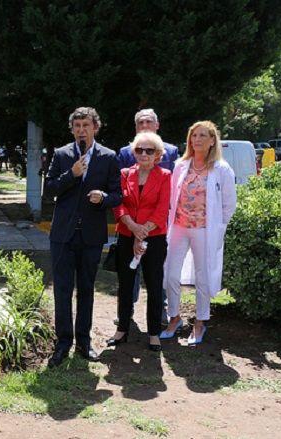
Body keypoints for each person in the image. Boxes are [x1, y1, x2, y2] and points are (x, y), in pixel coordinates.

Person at [45, 107, 122, 368]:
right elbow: (50, 189)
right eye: (77, 126)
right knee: (62, 290)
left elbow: (118, 195)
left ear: (95, 128)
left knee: (87, 290)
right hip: (63, 235)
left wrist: (104, 198)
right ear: (72, 130)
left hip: (91, 236)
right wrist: (72, 174)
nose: (81, 130)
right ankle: (63, 342)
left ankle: (84, 342)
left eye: (86, 126)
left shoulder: (108, 157)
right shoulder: (61, 154)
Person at [161, 121, 237, 345]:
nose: (197, 139)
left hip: (205, 230)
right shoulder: (180, 165)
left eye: (203, 135)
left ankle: (200, 322)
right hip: (179, 227)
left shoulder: (222, 169)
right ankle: (174, 318)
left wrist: (218, 227)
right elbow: (171, 197)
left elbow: (229, 205)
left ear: (213, 140)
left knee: (203, 277)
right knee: (170, 274)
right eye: (194, 135)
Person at [108, 132, 171, 352]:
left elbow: (162, 209)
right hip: (127, 235)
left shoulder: (165, 175)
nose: (144, 154)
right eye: (139, 150)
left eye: (149, 150)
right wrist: (134, 228)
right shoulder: (125, 174)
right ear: (134, 152)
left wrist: (142, 232)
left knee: (154, 284)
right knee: (125, 284)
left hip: (154, 237)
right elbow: (119, 204)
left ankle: (153, 333)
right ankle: (122, 329)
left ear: (158, 154)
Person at [116, 109, 179, 325]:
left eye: (149, 122)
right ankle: (126, 312)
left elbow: (166, 198)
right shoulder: (125, 154)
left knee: (155, 274)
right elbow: (119, 194)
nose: (144, 125)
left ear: (157, 125)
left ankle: (158, 313)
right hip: (129, 226)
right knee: (128, 273)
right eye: (140, 122)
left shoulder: (171, 152)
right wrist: (133, 227)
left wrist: (144, 230)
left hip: (155, 228)